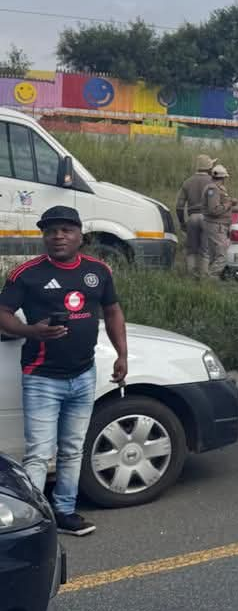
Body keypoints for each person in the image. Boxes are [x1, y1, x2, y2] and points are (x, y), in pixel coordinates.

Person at [0, 207, 127, 537]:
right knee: (40, 454)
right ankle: (33, 520)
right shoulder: (26, 274)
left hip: (83, 375)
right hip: (41, 377)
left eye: (66, 230)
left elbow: (113, 312)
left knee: (72, 450)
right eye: (51, 230)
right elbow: (3, 314)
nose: (58, 236)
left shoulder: (98, 271)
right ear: (44, 236)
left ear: (80, 236)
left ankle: (65, 512)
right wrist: (31, 331)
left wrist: (121, 355)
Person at [175, 154, 214, 277]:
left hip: (192, 218)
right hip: (207, 218)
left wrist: (182, 223)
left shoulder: (188, 182)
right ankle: (203, 276)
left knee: (191, 249)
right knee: (205, 249)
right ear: (209, 167)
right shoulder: (212, 181)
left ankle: (191, 274)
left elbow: (179, 206)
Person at [201, 164, 238, 279]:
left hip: (217, 225)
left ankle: (210, 282)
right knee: (222, 256)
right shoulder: (213, 189)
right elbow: (214, 210)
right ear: (223, 178)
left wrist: (236, 208)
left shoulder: (216, 188)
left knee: (215, 255)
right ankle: (210, 279)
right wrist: (230, 203)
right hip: (216, 226)